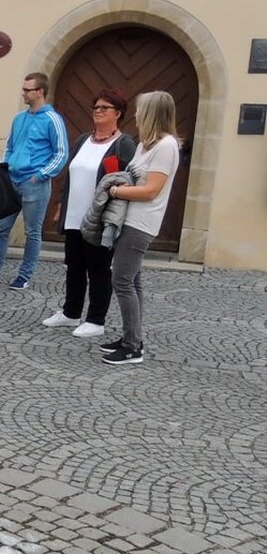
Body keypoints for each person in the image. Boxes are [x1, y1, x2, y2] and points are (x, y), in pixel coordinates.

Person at [42, 89, 136, 338]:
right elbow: (71, 174)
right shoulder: (84, 139)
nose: (98, 111)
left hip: (100, 217)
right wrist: (61, 204)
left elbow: (130, 179)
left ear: (118, 113)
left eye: (104, 108)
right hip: (74, 214)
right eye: (96, 107)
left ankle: (96, 319)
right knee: (73, 265)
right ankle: (71, 312)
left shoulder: (123, 144)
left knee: (98, 268)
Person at [101, 91, 180, 365]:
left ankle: (132, 347)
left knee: (121, 280)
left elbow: (151, 190)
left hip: (141, 223)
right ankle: (132, 337)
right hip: (128, 218)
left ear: (151, 114)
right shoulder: (144, 145)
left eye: (140, 110)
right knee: (132, 280)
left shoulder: (166, 146)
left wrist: (115, 191)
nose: (135, 114)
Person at [0, 72, 68, 290]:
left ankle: (24, 275)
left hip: (35, 184)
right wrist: (6, 169)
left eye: (27, 90)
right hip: (12, 181)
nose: (23, 93)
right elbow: (10, 146)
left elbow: (61, 153)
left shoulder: (53, 119)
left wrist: (40, 175)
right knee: (1, 227)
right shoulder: (19, 118)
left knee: (32, 232)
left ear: (40, 92)